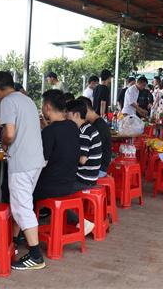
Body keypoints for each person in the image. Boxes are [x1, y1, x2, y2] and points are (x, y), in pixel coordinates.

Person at [0, 71, 46, 271]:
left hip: (21, 161)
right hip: (35, 160)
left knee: (22, 207)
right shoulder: (26, 99)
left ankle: (36, 255)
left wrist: (4, 144)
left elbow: (10, 133)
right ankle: (13, 241)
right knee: (22, 203)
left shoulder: (6, 102)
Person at [33, 90, 80, 201]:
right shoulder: (73, 126)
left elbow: (42, 162)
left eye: (42, 105)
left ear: (47, 107)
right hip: (69, 183)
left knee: (12, 183)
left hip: (50, 187)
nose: (42, 109)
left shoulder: (49, 131)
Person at [65, 99, 102, 236]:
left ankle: (81, 221)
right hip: (87, 176)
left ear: (75, 114)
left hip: (83, 179)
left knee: (50, 192)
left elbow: (82, 159)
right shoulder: (87, 128)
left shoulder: (84, 132)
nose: (65, 117)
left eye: (67, 114)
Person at [78, 97, 112, 177]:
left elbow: (86, 155)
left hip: (99, 169)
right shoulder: (93, 124)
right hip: (93, 167)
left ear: (86, 109)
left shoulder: (99, 127)